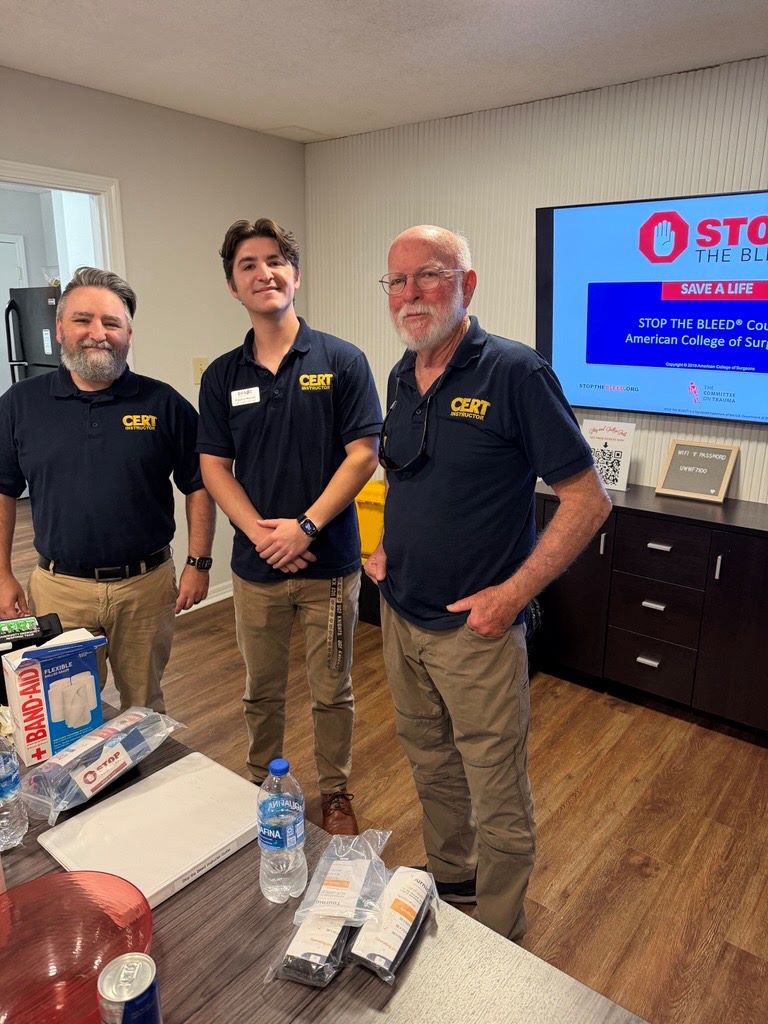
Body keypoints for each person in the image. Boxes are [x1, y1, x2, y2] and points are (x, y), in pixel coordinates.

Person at [365, 225, 611, 940]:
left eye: (429, 276)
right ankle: (454, 883)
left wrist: (512, 595)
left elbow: (587, 500)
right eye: (397, 281)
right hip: (402, 617)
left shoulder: (516, 373)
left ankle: (501, 930)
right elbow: (407, 475)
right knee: (430, 763)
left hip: (477, 631)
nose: (410, 295)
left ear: (466, 286)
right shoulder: (400, 373)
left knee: (496, 788)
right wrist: (384, 548)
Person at [197, 218, 381, 835]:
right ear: (233, 285)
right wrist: (262, 535)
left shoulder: (341, 360)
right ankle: (257, 779)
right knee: (261, 688)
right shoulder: (222, 376)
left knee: (333, 688)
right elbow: (214, 467)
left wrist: (303, 527)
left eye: (275, 261)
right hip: (256, 568)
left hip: (329, 566)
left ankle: (335, 789)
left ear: (295, 276)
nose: (264, 272)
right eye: (248, 264)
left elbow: (363, 454)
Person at [0, 267, 216, 713]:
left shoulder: (164, 404)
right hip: (60, 589)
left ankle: (146, 780)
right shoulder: (20, 405)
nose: (98, 333)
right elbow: (4, 491)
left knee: (145, 705)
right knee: (67, 708)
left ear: (129, 333)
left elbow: (199, 484)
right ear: (60, 329)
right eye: (83, 320)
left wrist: (198, 562)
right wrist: (2, 574)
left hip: (146, 586)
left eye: (112, 323)